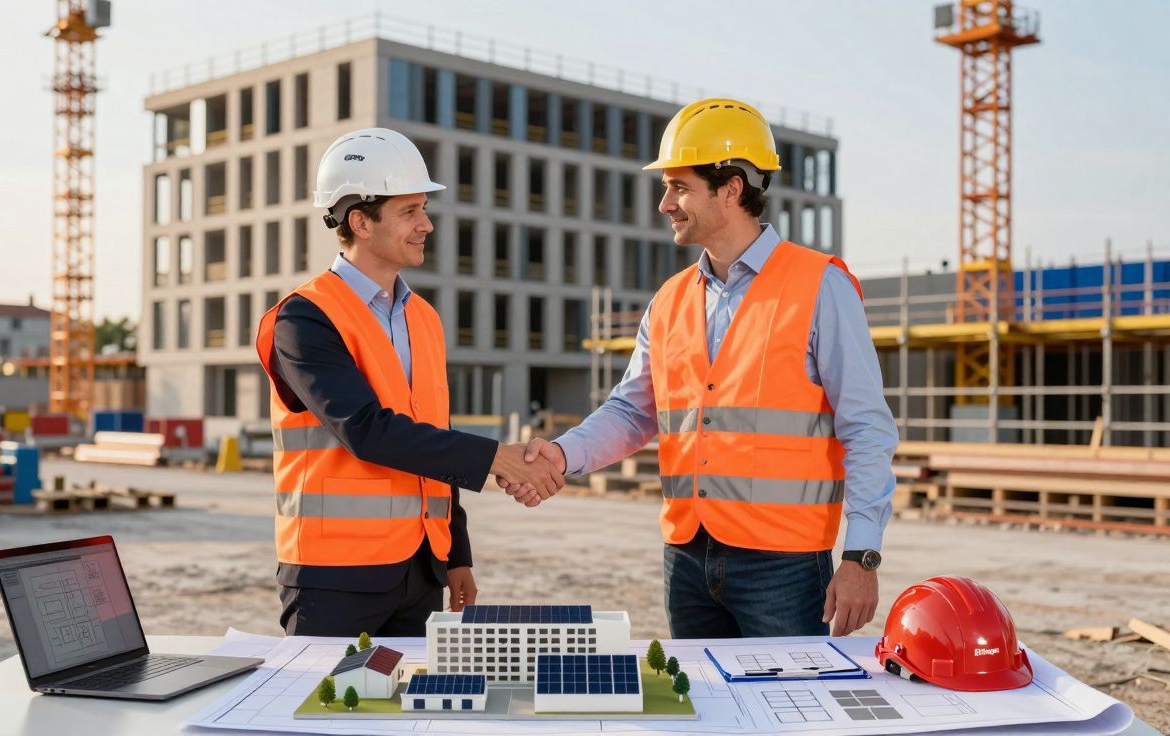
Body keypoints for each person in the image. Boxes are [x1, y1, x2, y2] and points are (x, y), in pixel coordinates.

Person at [510, 99, 899, 639]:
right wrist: (560, 454)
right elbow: (631, 412)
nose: (666, 203)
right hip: (687, 559)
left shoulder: (820, 285)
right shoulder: (669, 299)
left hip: (782, 566)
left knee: (788, 718)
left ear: (732, 188)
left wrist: (862, 555)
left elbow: (867, 426)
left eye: (679, 186)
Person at [255, 127, 564, 637]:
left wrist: (456, 555)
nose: (426, 225)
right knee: (327, 714)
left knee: (406, 715)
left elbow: (432, 435)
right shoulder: (303, 318)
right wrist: (495, 459)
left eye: (424, 208)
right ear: (360, 221)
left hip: (420, 570)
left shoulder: (422, 318)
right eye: (409, 211)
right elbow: (366, 430)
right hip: (334, 578)